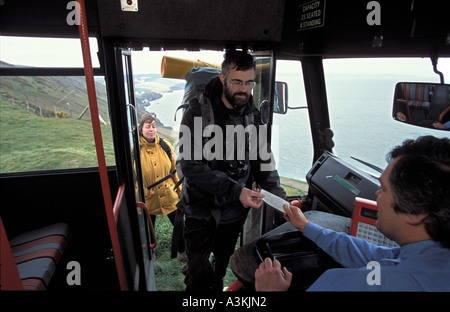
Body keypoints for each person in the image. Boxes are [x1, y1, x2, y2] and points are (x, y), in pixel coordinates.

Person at [255, 135, 450, 291]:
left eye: (383, 189)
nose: (376, 194)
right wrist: (306, 226)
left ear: (416, 212)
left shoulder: (345, 284)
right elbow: (372, 255)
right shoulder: (431, 259)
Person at [178, 49, 286, 291]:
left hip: (234, 212)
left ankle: (215, 285)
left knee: (222, 261)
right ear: (222, 78)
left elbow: (263, 162)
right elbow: (191, 166)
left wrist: (282, 203)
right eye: (237, 81)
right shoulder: (196, 112)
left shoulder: (251, 115)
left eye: (249, 83)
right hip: (201, 207)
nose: (243, 89)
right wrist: (236, 190)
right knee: (197, 269)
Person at [138, 113, 185, 259]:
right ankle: (151, 249)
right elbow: (134, 177)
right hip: (148, 196)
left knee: (178, 224)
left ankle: (182, 251)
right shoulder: (136, 150)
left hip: (168, 192)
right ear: (141, 129)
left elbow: (174, 171)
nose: (151, 130)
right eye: (147, 127)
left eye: (153, 126)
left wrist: (180, 192)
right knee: (149, 226)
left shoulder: (166, 146)